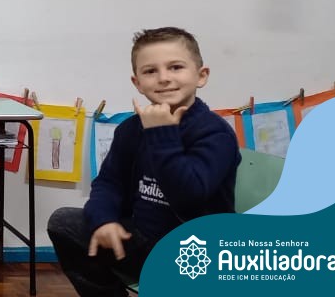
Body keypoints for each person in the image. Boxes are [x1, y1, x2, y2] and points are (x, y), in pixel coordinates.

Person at [47, 27, 239, 296]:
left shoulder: (215, 133)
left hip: (198, 250)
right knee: (64, 223)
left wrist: (162, 133)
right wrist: (104, 221)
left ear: (201, 76)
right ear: (137, 82)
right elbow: (109, 183)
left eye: (175, 67)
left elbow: (189, 195)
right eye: (150, 71)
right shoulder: (130, 129)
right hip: (145, 239)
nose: (164, 78)